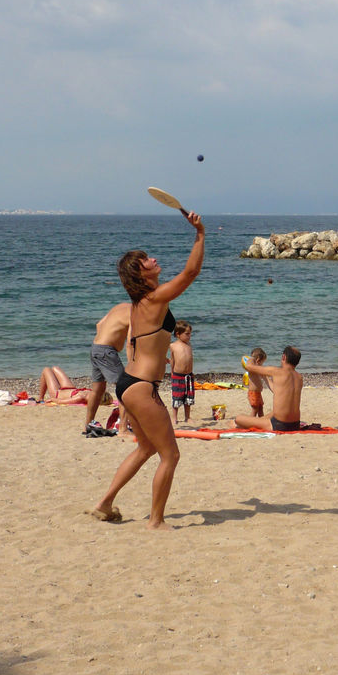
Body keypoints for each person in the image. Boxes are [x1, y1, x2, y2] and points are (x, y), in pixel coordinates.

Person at [89, 209, 205, 530]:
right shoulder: (152, 299)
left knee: (145, 449)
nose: (153, 259)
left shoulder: (141, 304)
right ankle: (156, 521)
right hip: (140, 386)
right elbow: (191, 272)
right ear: (141, 275)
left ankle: (104, 502)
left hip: (129, 383)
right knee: (170, 456)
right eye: (146, 261)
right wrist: (200, 234)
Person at [84, 302, 133, 436]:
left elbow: (99, 324)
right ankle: (123, 428)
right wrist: (131, 363)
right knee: (125, 388)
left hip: (95, 347)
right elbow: (130, 341)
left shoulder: (120, 306)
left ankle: (87, 425)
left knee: (97, 390)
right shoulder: (134, 313)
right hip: (106, 351)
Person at [234, 346, 303, 432]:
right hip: (295, 425)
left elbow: (249, 366)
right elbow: (276, 390)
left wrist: (252, 358)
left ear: (283, 357)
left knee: (238, 419)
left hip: (279, 425)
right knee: (272, 413)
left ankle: (256, 422)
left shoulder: (276, 371)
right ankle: (260, 420)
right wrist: (265, 377)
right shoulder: (299, 377)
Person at [167, 321, 195, 426]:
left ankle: (187, 417)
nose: (189, 336)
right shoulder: (173, 345)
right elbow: (173, 360)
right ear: (178, 334)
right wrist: (172, 373)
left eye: (190, 334)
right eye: (187, 334)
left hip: (189, 375)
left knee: (188, 397)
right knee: (177, 397)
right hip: (178, 375)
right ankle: (174, 417)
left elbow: (190, 359)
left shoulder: (189, 345)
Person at [245, 347, 270, 417]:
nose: (262, 364)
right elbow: (250, 361)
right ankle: (250, 423)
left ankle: (261, 421)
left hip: (258, 393)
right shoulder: (252, 367)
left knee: (260, 408)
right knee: (255, 409)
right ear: (258, 359)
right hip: (253, 392)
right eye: (262, 362)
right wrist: (254, 358)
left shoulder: (256, 369)